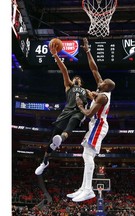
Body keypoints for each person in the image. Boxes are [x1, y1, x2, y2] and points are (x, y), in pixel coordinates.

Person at [66, 38, 116, 202]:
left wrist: (80, 105)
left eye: (103, 82)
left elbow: (88, 114)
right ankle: (83, 187)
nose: (100, 82)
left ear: (106, 88)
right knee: (85, 154)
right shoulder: (101, 90)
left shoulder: (102, 97)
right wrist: (87, 51)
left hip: (98, 125)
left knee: (88, 155)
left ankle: (88, 190)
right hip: (96, 125)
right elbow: (94, 69)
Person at [35, 41, 92, 175]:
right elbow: (64, 70)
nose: (76, 78)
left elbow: (96, 99)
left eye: (78, 78)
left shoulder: (86, 91)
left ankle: (61, 139)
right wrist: (56, 55)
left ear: (81, 82)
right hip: (66, 112)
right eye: (75, 77)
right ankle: (44, 162)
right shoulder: (69, 86)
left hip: (79, 112)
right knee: (51, 142)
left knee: (72, 123)